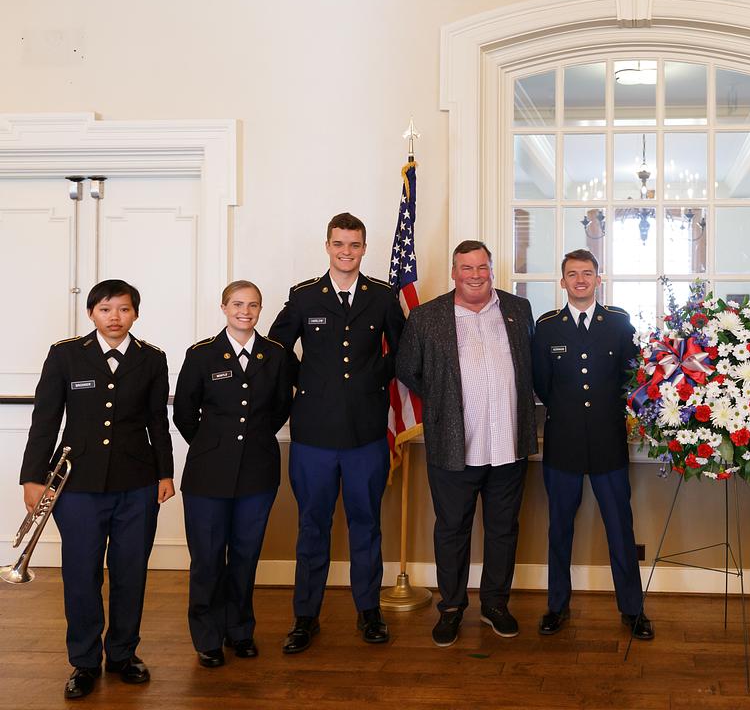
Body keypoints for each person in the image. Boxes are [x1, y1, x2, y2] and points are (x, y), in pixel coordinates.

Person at [20, 279, 174, 700]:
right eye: (106, 309)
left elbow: (157, 422)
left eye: (123, 309)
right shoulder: (66, 354)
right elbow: (45, 418)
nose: (115, 318)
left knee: (130, 573)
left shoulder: (152, 359)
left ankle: (123, 655)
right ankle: (84, 662)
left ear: (135, 314)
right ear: (91, 313)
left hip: (137, 485)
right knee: (81, 576)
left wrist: (165, 473)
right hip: (78, 487)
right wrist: (32, 477)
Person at [267, 212, 405, 652]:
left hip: (366, 433)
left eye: (355, 245)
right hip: (314, 434)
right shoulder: (305, 297)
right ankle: (305, 617)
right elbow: (275, 349)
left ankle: (369, 611)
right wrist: (306, 378)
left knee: (367, 525)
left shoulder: (382, 296)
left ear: (365, 248)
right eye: (339, 244)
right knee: (312, 527)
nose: (347, 253)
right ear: (328, 246)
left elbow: (403, 350)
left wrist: (373, 377)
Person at [395, 240, 537, 647]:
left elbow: (530, 368)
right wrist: (443, 402)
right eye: (466, 268)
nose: (475, 275)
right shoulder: (427, 317)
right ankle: (452, 608)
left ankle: (495, 605)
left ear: (492, 270)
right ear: (453, 272)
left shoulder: (516, 310)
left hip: (508, 445)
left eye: (482, 267)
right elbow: (407, 369)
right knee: (452, 531)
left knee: (503, 530)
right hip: (454, 447)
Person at [174, 280, 297, 667]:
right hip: (207, 474)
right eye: (238, 304)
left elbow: (280, 409)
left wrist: (249, 443)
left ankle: (240, 630)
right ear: (224, 307)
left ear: (261, 310)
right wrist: (214, 445)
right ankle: (208, 636)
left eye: (253, 305)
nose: (246, 311)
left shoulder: (275, 355)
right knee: (208, 559)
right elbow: (184, 414)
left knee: (245, 556)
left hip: (257, 472)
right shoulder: (201, 355)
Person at [532, 249, 653, 641]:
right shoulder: (548, 326)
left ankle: (632, 610)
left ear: (599, 280)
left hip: (607, 442)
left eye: (587, 273)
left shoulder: (618, 322)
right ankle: (556, 606)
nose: (580, 280)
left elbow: (631, 376)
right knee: (559, 530)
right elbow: (542, 383)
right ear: (562, 281)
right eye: (572, 274)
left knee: (620, 528)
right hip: (563, 442)